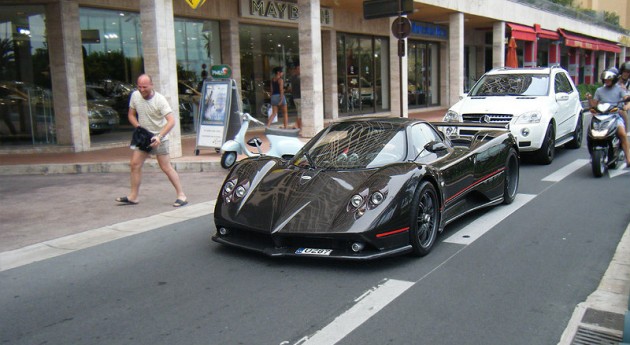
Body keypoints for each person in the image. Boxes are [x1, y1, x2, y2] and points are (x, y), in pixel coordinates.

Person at [116, 74, 188, 207]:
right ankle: (133, 196)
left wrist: (159, 136)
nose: (142, 90)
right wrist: (138, 127)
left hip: (159, 137)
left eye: (145, 87)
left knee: (166, 167)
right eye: (139, 87)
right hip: (144, 137)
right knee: (134, 164)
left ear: (151, 85)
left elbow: (171, 121)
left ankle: (181, 195)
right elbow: (131, 115)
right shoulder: (135, 96)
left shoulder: (160, 100)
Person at [586, 68, 630, 165]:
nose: (607, 81)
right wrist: (589, 99)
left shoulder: (620, 89)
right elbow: (594, 104)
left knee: (622, 133)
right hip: (601, 116)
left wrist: (626, 106)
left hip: (615, 116)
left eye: (609, 79)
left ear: (614, 80)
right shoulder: (599, 90)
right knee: (590, 132)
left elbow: (626, 99)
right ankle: (592, 152)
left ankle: (628, 158)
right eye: (605, 80)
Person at [289, 64, 301, 130]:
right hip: (299, 97)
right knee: (300, 114)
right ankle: (296, 126)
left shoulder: (293, 77)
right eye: (299, 69)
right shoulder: (299, 78)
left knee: (299, 113)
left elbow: (291, 88)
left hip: (295, 97)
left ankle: (297, 126)